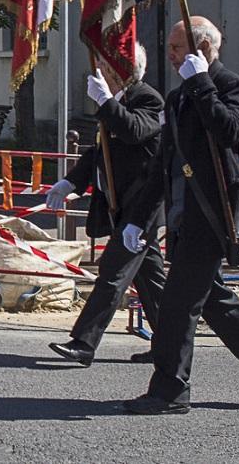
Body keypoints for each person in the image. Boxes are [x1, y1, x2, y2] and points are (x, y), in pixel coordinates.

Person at [120, 16, 239, 415]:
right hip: (184, 215)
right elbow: (164, 163)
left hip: (213, 215)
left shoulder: (227, 85)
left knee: (176, 304)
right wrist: (138, 218)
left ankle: (170, 391)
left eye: (177, 47)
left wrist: (202, 83)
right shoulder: (177, 96)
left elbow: (230, 133)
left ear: (201, 49)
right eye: (170, 47)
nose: (170, 54)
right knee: (213, 298)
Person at [46, 43, 165, 366]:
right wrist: (71, 182)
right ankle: (170, 346)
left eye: (103, 65)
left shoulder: (148, 99)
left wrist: (106, 102)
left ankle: (84, 342)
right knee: (152, 283)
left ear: (119, 71)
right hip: (121, 206)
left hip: (141, 209)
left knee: (112, 273)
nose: (97, 71)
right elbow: (100, 152)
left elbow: (134, 131)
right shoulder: (115, 102)